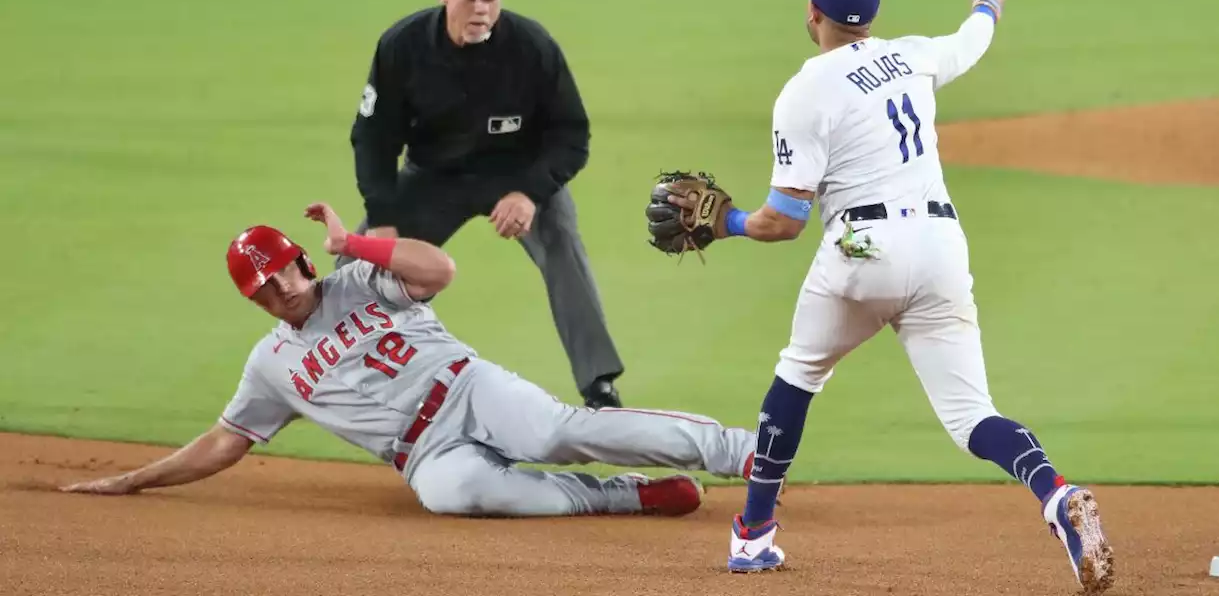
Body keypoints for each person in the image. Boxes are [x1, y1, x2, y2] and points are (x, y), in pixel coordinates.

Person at [661, 0, 1115, 592]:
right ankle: (1055, 493)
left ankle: (754, 536)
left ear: (813, 13)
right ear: (870, 17)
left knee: (798, 373)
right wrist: (989, 1)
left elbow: (786, 220)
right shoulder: (914, 55)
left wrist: (728, 221)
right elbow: (972, 41)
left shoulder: (805, 90)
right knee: (972, 416)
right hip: (939, 248)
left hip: (862, 251)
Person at [58, 202, 757, 519]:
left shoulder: (357, 280)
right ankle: (629, 497)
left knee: (557, 432)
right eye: (260, 288)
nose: (275, 291)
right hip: (421, 454)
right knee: (461, 497)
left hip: (469, 388)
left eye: (280, 274)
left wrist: (354, 245)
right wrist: (133, 481)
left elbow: (441, 269)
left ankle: (739, 452)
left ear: (303, 262)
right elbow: (223, 440)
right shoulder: (270, 363)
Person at [342, 0, 625, 409]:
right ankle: (336, 373)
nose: (481, 7)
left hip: (518, 176)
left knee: (563, 245)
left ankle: (599, 384)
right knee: (356, 263)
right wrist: (383, 216)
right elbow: (373, 138)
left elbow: (571, 135)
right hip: (433, 178)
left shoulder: (532, 46)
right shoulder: (403, 46)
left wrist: (530, 194)